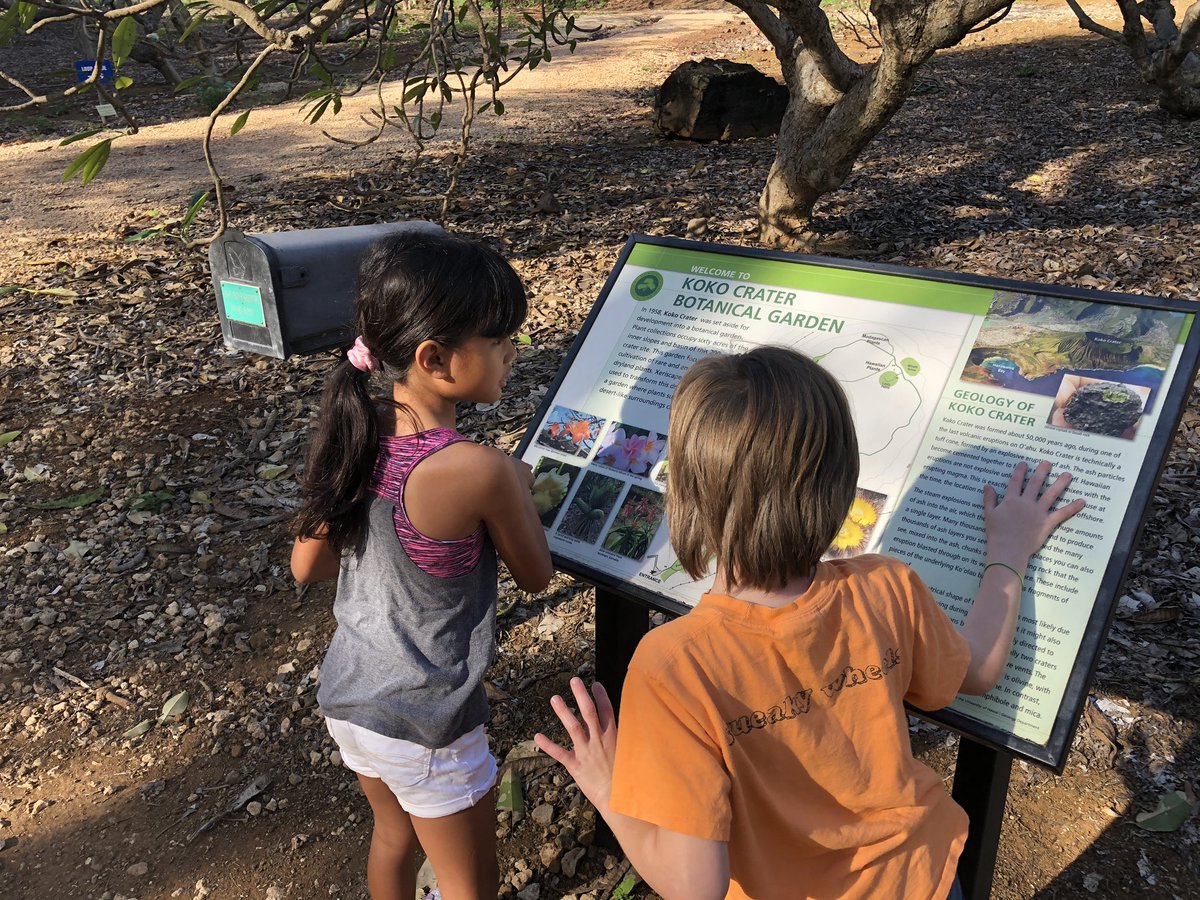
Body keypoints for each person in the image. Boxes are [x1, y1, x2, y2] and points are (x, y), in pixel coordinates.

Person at [535, 346, 1084, 900]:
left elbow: (695, 887)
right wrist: (1009, 553)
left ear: (686, 490)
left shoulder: (675, 666)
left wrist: (607, 790)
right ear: (842, 485)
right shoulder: (886, 586)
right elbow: (979, 669)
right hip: (924, 876)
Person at [290, 231, 552, 900]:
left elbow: (307, 565)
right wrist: (515, 493)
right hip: (428, 722)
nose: (512, 353)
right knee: (470, 883)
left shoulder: (358, 426)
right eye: (500, 340)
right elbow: (536, 576)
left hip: (352, 696)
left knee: (394, 838)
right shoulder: (481, 471)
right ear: (434, 358)